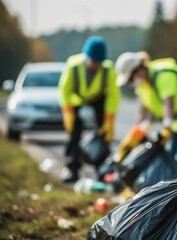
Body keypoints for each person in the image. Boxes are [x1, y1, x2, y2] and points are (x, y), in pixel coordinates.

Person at [114, 52, 177, 174]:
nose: (130, 83)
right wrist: (132, 137)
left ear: (138, 70)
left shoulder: (163, 75)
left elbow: (168, 105)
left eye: (130, 79)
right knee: (171, 158)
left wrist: (166, 128)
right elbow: (143, 116)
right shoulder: (143, 87)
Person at [58, 36, 121, 183]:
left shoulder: (108, 70)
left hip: (99, 100)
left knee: (103, 135)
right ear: (86, 57)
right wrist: (68, 114)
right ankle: (72, 169)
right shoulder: (73, 67)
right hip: (76, 101)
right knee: (74, 134)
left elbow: (113, 96)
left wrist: (109, 120)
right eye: (93, 61)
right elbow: (64, 91)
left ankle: (103, 170)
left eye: (99, 62)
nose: (96, 65)